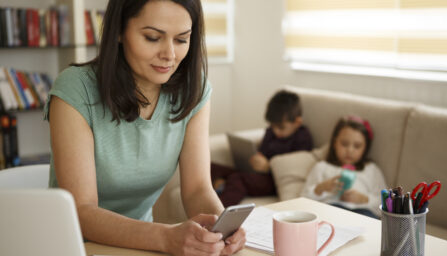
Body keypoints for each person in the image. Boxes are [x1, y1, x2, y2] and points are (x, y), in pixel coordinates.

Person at [44, 0, 245, 255]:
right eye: (152, 37)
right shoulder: (75, 90)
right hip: (73, 245)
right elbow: (82, 210)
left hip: (142, 246)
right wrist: (167, 237)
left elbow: (197, 189)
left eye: (182, 40)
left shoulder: (194, 90)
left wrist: (221, 230)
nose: (169, 55)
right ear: (119, 31)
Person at [212, 90, 313, 207]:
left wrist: (269, 167)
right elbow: (263, 151)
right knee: (211, 167)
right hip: (257, 173)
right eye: (273, 126)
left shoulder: (303, 137)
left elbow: (296, 168)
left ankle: (218, 213)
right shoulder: (270, 132)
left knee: (237, 179)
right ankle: (221, 187)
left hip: (274, 180)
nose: (276, 131)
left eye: (281, 127)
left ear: (297, 122)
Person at [301, 115, 387, 218]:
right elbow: (303, 199)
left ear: (365, 148)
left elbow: (385, 204)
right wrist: (322, 188)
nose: (350, 150)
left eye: (357, 146)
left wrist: (364, 199)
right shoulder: (322, 167)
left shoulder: (371, 170)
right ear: (334, 142)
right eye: (344, 144)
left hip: (362, 213)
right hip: (331, 209)